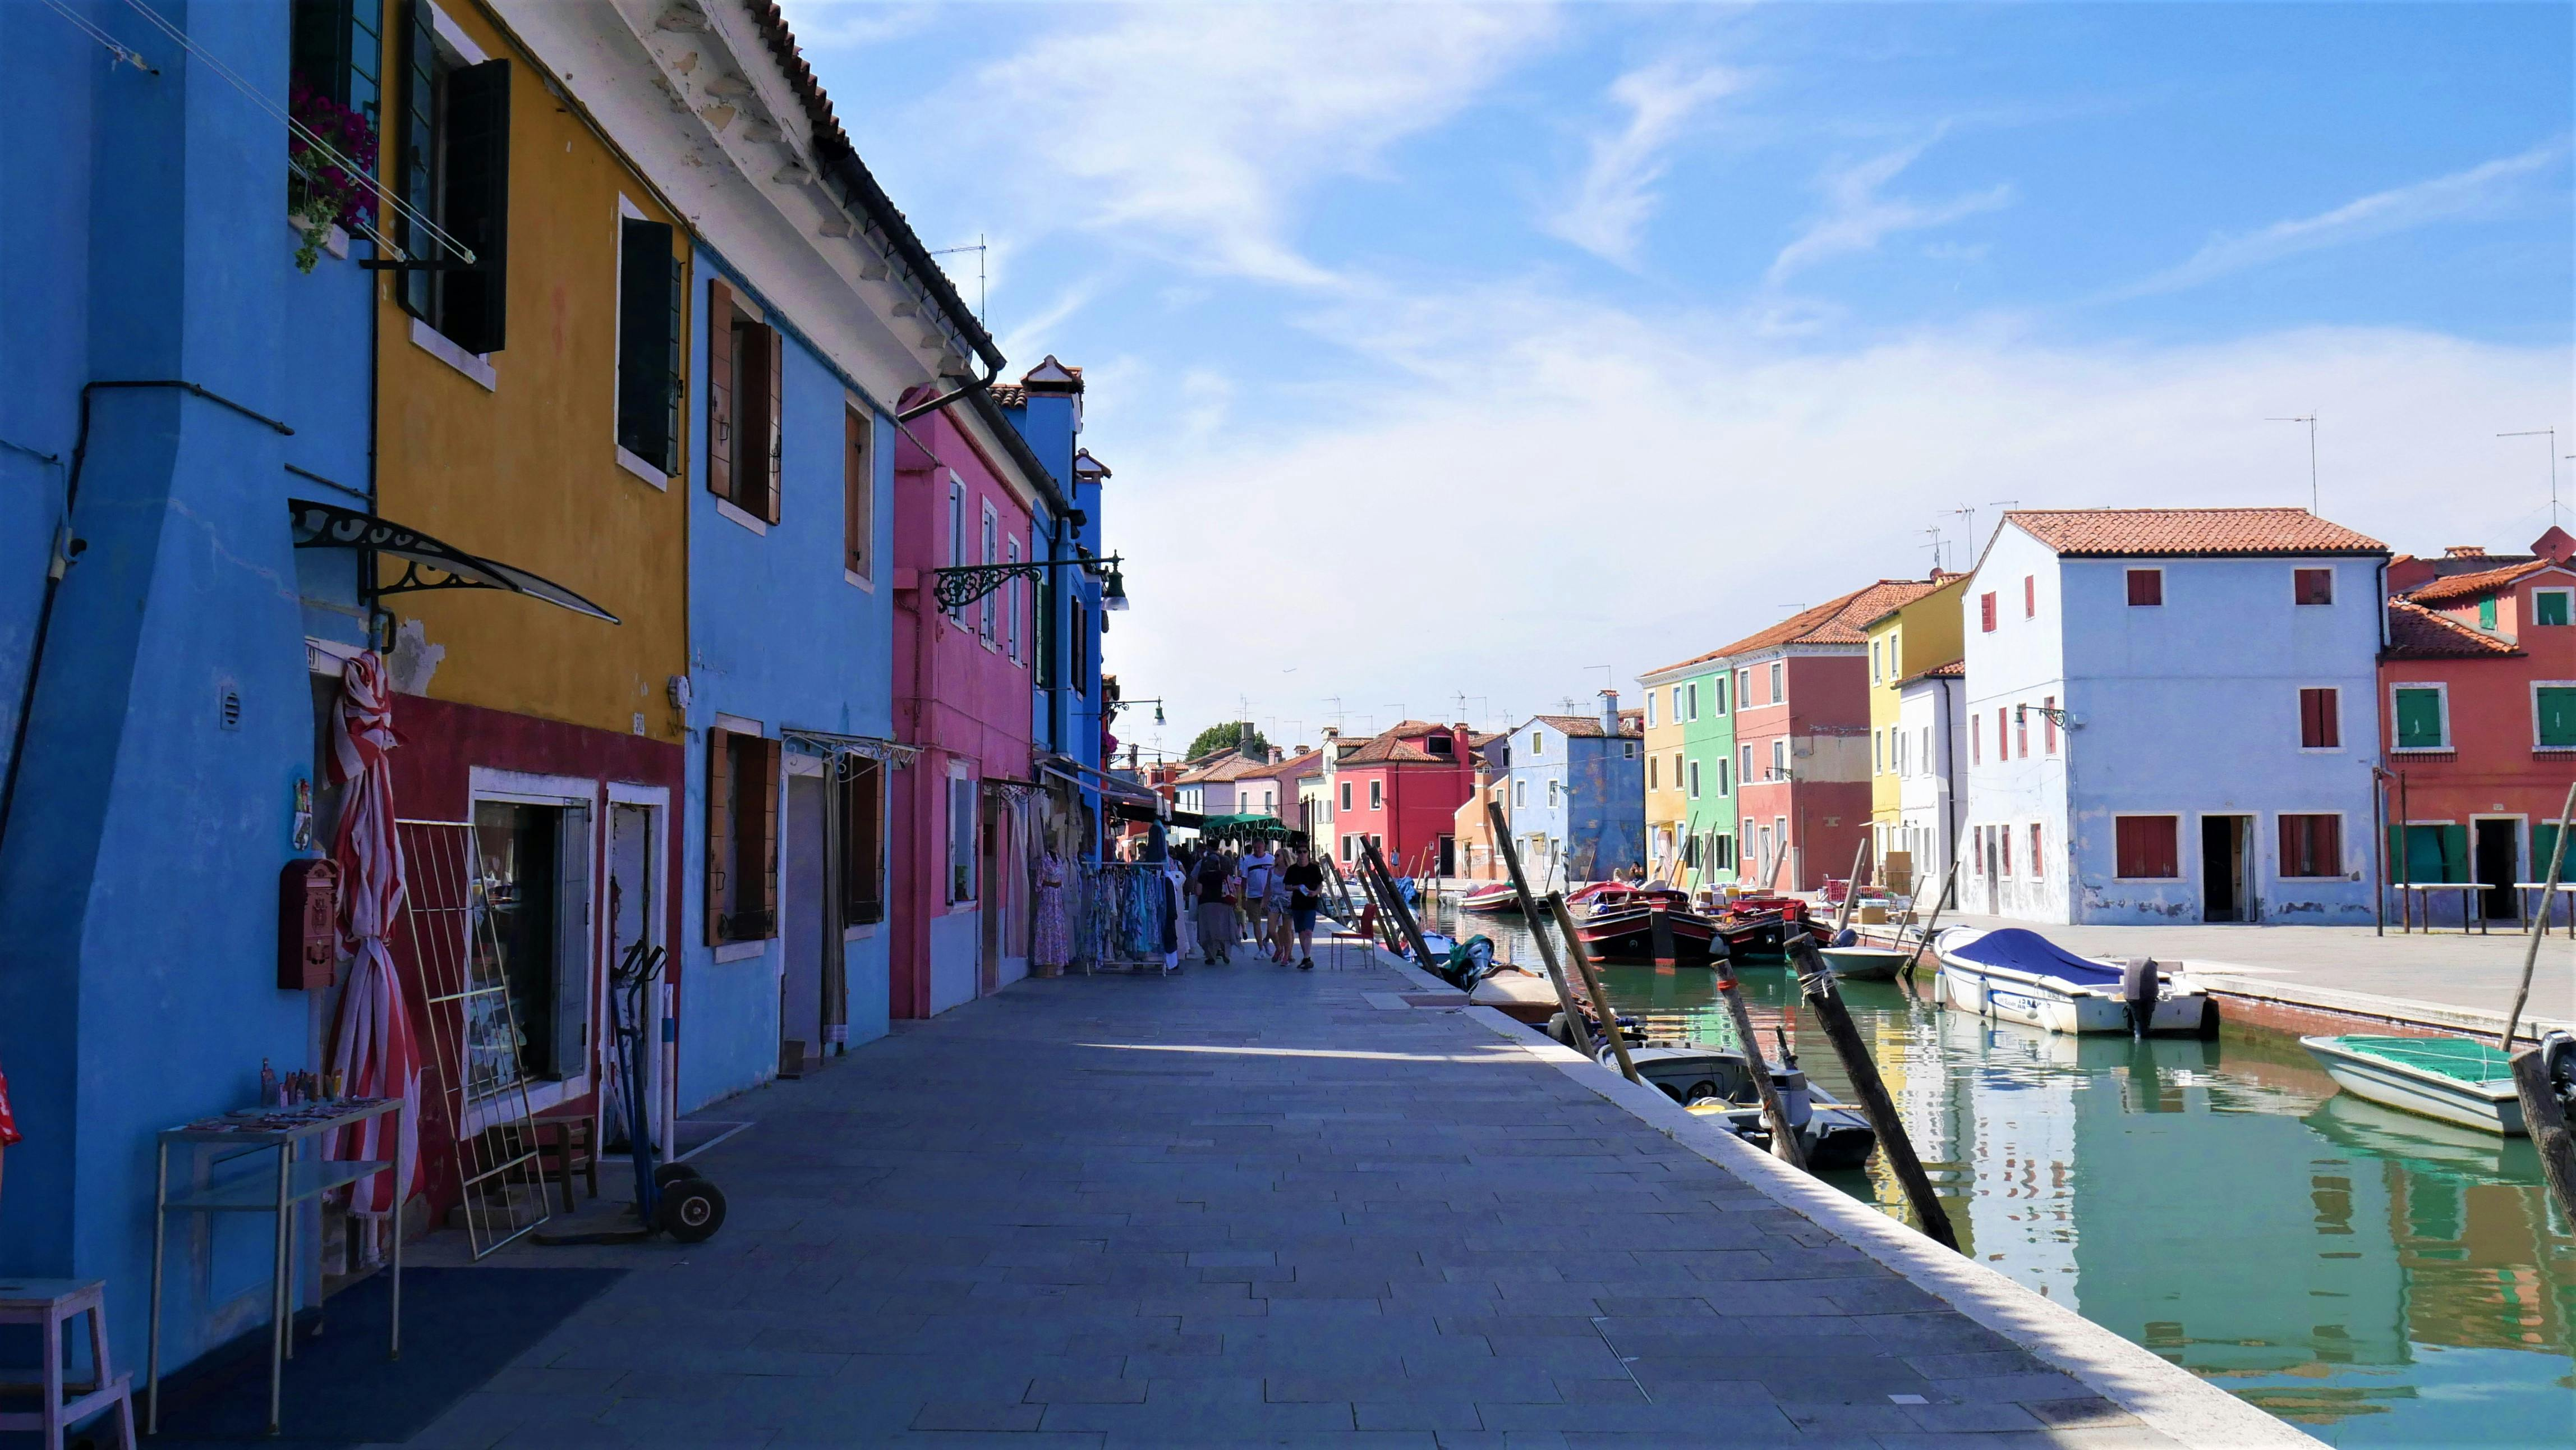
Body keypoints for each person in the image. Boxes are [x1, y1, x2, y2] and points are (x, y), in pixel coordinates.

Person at [1282, 847, 1324, 970]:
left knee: (1308, 931)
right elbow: (1287, 887)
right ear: (1297, 854)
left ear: (1308, 853)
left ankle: (1307, 956)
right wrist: (1297, 887)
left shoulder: (1314, 869)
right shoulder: (1292, 869)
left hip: (1311, 903)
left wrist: (1315, 892)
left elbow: (1320, 884)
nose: (1302, 854)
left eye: (1304, 852)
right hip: (1297, 903)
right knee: (1301, 932)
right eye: (1299, 852)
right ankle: (1305, 958)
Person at [1193, 847, 1235, 964]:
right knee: (1224, 930)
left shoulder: (1203, 876)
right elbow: (1232, 889)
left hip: (1206, 905)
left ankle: (1211, 956)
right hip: (1223, 905)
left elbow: (1198, 892)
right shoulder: (1224, 875)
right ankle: (1226, 952)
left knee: (1208, 931)